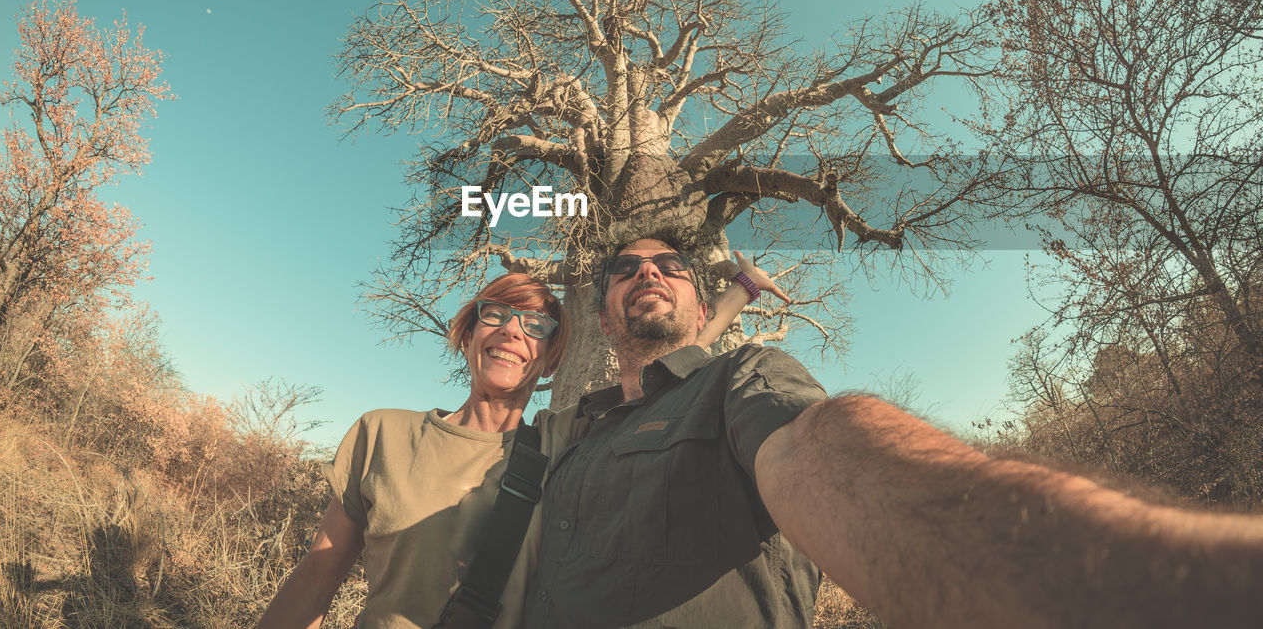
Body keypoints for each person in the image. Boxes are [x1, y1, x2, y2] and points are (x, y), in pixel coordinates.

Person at [523, 231, 1263, 629]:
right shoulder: (560, 435)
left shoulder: (737, 382)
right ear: (597, 311)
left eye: (671, 265)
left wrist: (1108, 579)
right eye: (625, 268)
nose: (648, 274)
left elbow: (818, 446)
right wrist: (741, 288)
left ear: (692, 287)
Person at [256, 255, 784, 629]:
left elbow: (664, 362)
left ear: (551, 358)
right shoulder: (382, 433)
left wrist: (743, 288)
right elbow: (314, 582)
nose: (513, 331)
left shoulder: (568, 438)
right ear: (468, 333)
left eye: (536, 325)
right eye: (496, 314)